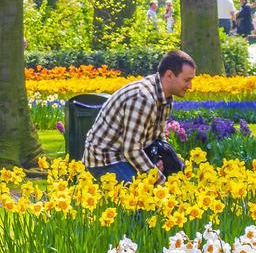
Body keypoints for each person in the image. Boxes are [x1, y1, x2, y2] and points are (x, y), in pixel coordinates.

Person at [83, 50, 197, 183]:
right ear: (170, 75)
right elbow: (131, 150)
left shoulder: (166, 98)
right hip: (107, 159)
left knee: (175, 179)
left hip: (129, 153)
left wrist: (159, 160)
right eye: (187, 80)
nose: (190, 86)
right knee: (143, 198)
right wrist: (160, 180)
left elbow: (157, 136)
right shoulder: (143, 98)